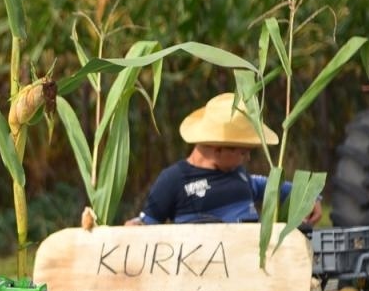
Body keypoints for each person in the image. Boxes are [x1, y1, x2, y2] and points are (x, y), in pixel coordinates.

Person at [127, 93, 321, 226]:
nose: (247, 158)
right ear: (218, 149)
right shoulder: (173, 180)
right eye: (243, 152)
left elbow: (266, 185)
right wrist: (137, 226)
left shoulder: (239, 175)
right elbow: (148, 224)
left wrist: (309, 197)